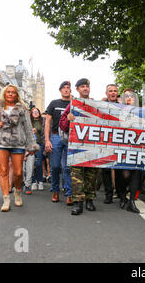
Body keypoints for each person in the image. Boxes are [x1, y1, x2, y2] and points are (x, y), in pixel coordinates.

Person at [0, 84, 39, 212]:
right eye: (8, 92)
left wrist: (31, 145)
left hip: (17, 143)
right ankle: (6, 199)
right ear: (4, 94)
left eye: (13, 92)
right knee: (3, 171)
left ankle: (17, 192)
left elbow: (28, 128)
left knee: (18, 172)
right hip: (0, 143)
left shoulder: (23, 109)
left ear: (16, 95)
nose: (10, 94)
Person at [59, 78, 100, 215]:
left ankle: (90, 200)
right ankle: (78, 202)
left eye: (87, 86)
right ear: (77, 89)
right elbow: (62, 124)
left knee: (91, 174)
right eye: (82, 86)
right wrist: (68, 119)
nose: (85, 89)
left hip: (92, 145)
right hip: (76, 144)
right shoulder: (73, 105)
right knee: (76, 174)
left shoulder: (96, 104)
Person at [45, 81, 73, 205]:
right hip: (56, 136)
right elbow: (47, 122)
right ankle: (55, 191)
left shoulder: (75, 104)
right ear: (60, 90)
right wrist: (47, 140)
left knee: (67, 167)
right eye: (64, 88)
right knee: (55, 166)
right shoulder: (54, 103)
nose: (66, 90)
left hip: (70, 137)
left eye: (68, 88)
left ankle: (69, 193)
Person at [101, 83, 120, 204]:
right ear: (106, 93)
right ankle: (108, 194)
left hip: (119, 141)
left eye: (115, 91)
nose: (113, 93)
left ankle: (120, 193)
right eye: (110, 91)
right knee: (106, 169)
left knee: (119, 169)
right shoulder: (101, 106)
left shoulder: (123, 106)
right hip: (105, 141)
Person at [23, 107, 45, 194]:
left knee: (39, 163)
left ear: (39, 113)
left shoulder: (42, 121)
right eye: (33, 112)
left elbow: (45, 133)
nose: (35, 113)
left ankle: (40, 181)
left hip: (39, 144)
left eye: (37, 112)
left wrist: (37, 132)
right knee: (31, 164)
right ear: (31, 114)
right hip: (30, 145)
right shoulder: (28, 122)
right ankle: (33, 181)